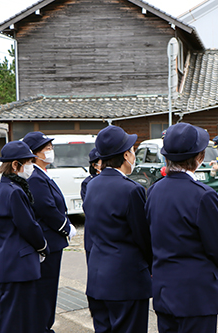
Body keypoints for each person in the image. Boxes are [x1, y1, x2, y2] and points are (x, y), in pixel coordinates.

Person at [145, 123, 218, 333]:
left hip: (164, 289)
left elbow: (149, 237)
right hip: (196, 294)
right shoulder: (203, 195)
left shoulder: (154, 190)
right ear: (200, 158)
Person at [83, 125, 152, 332]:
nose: (134, 155)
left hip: (97, 277)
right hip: (126, 280)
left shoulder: (92, 185)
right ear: (125, 154)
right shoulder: (131, 190)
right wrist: (152, 266)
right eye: (132, 151)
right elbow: (143, 237)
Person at [0, 141, 49, 333]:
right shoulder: (14, 191)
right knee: (13, 320)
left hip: (8, 264)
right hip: (18, 266)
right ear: (15, 165)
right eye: (28, 162)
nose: (30, 167)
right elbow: (29, 226)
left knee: (9, 317)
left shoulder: (4, 187)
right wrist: (43, 246)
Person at [23, 131, 76, 333]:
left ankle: (44, 325)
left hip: (53, 241)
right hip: (48, 242)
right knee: (46, 287)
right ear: (35, 154)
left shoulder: (41, 174)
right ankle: (43, 327)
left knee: (49, 287)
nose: (50, 152)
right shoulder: (35, 176)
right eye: (46, 149)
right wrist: (65, 227)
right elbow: (46, 208)